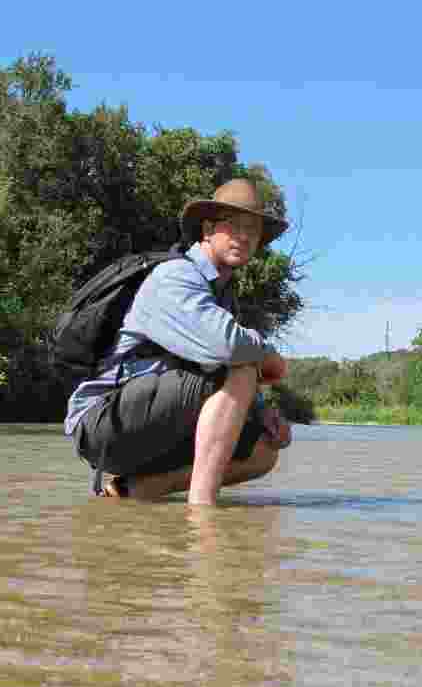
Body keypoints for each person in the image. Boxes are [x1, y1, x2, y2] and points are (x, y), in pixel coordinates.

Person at [64, 178, 293, 505]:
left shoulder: (223, 295)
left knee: (263, 451)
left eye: (253, 230)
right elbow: (227, 347)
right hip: (103, 423)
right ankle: (201, 511)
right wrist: (269, 356)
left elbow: (216, 367)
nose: (244, 236)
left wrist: (261, 411)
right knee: (241, 368)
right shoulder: (175, 277)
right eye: (234, 226)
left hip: (155, 419)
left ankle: (133, 490)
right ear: (208, 230)